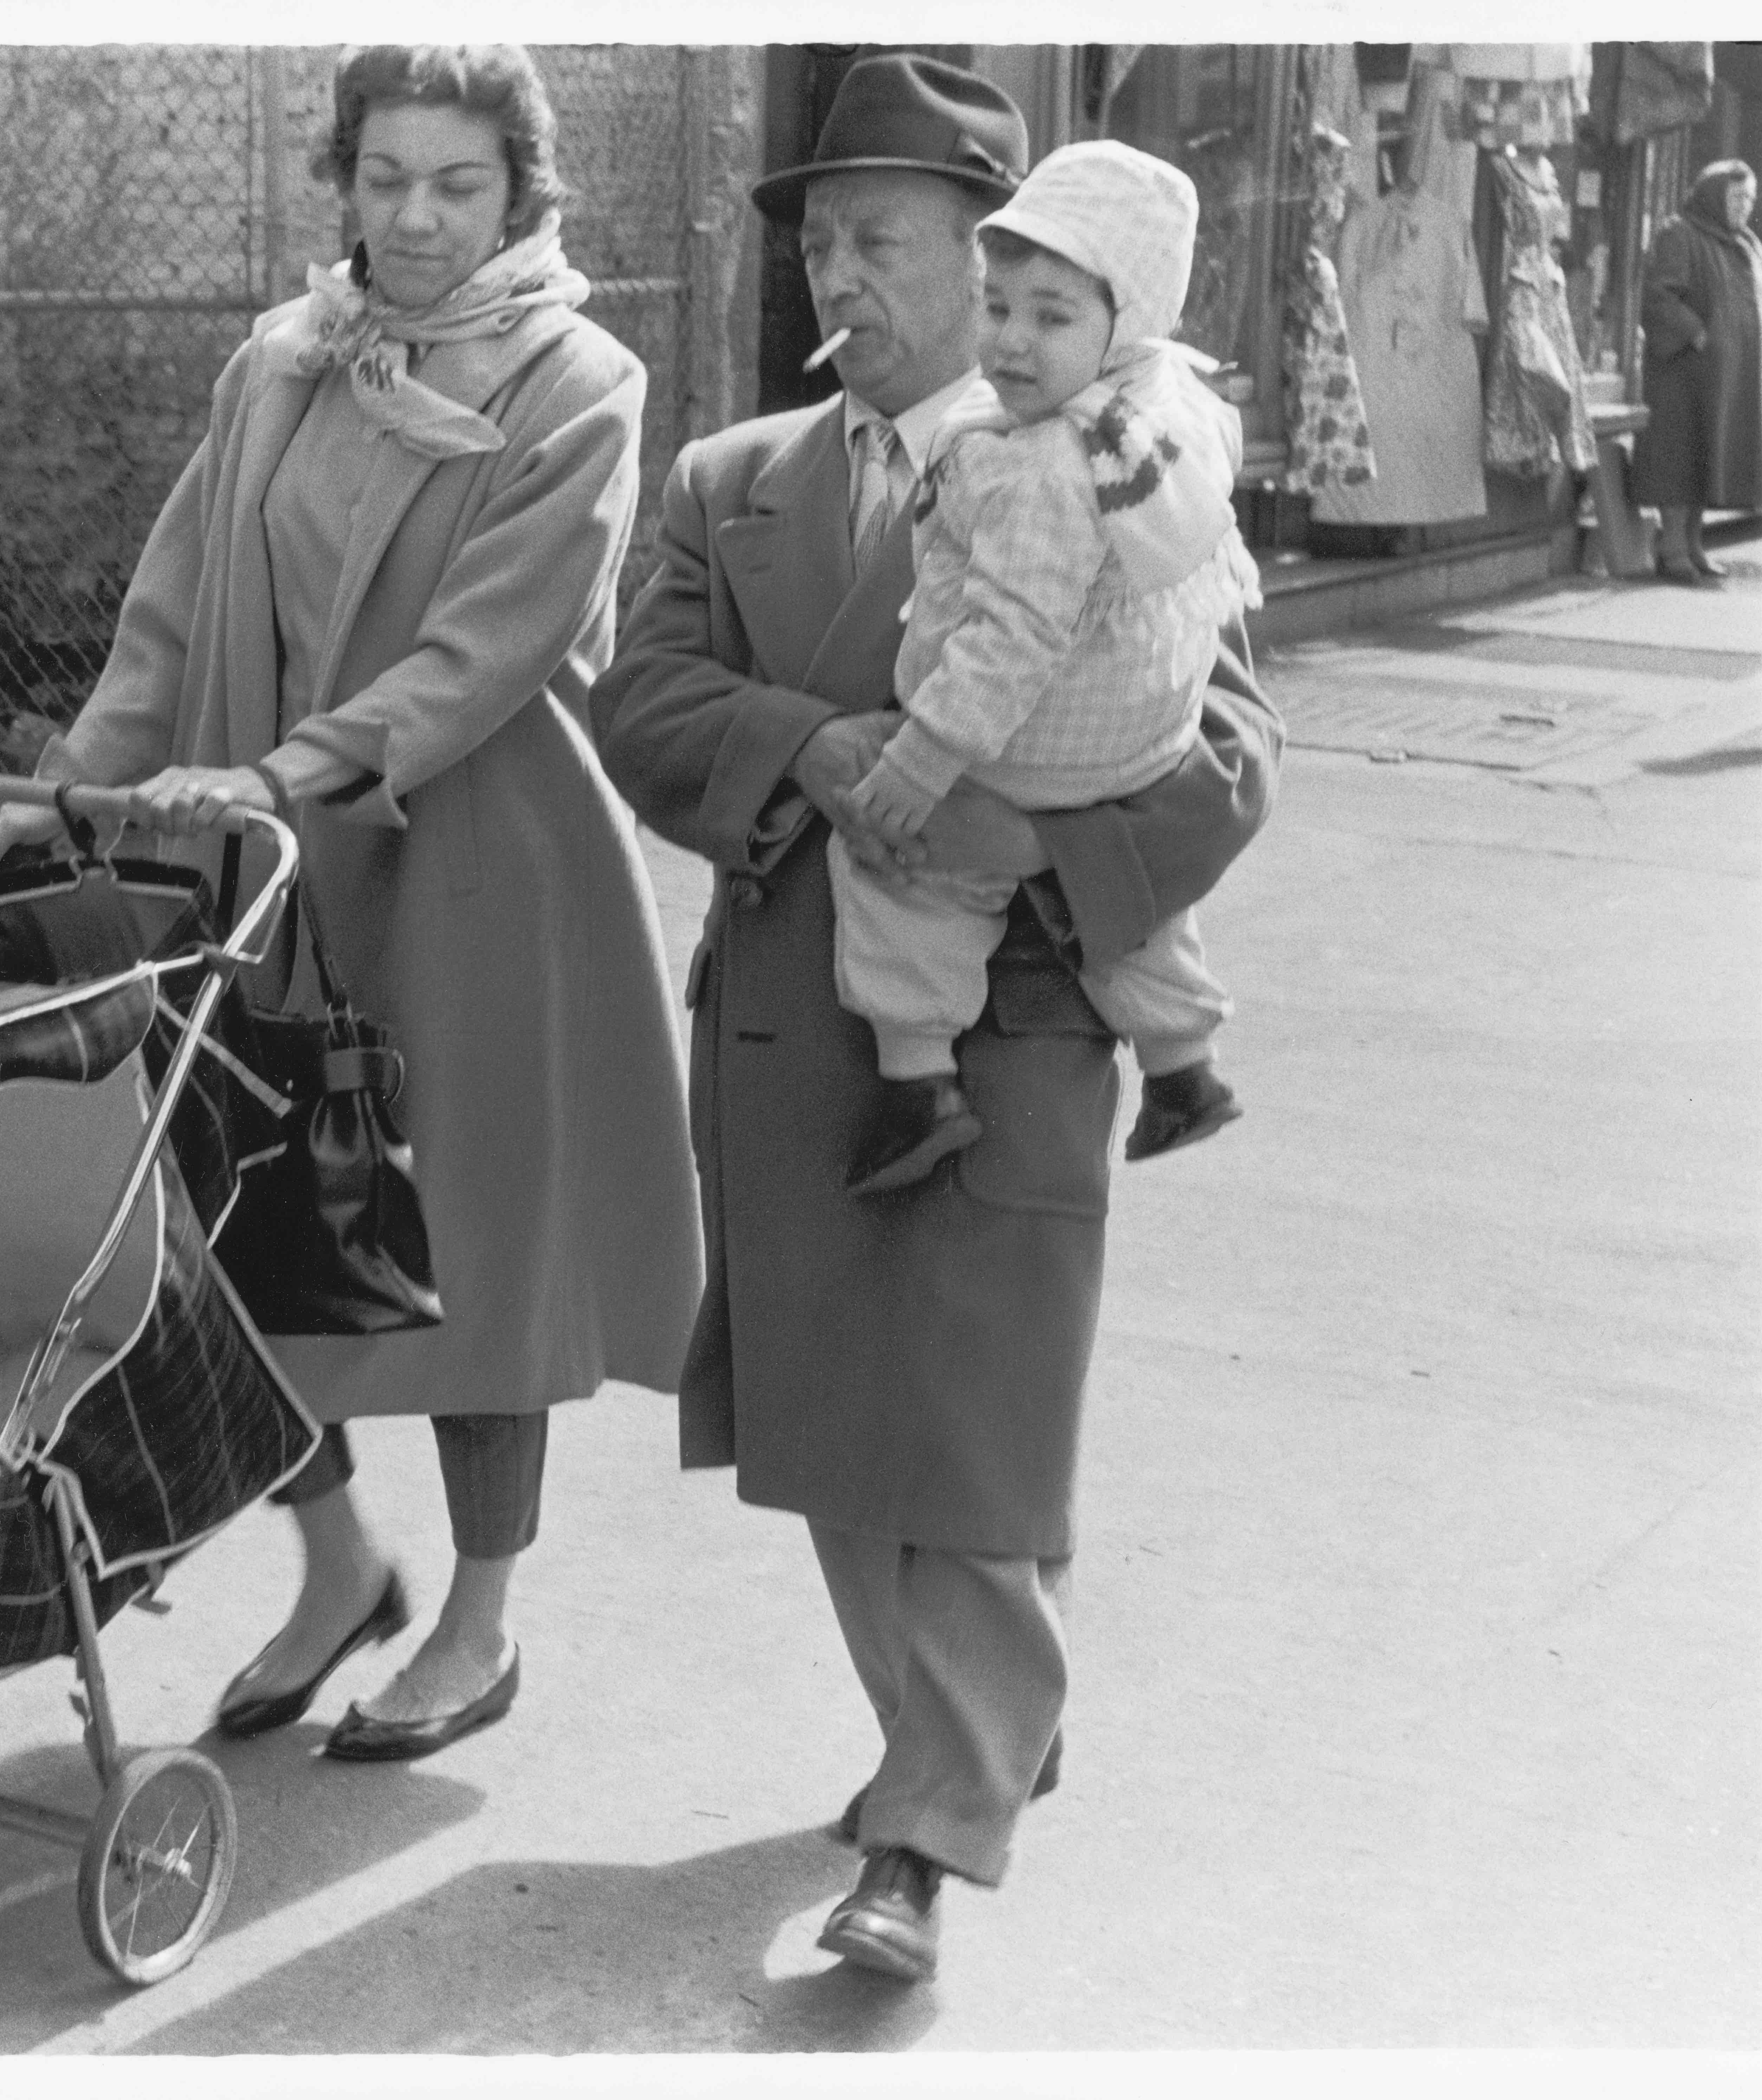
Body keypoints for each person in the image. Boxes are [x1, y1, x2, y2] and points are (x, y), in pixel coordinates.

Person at [587, 54, 1278, 1984]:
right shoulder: (732, 485)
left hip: (1024, 1016)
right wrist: (813, 741)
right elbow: (634, 705)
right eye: (818, 238)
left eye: (880, 237)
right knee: (831, 1435)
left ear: (1004, 265)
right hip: (790, 1026)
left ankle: (922, 1827)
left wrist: (1031, 851)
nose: (843, 274)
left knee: (971, 1436)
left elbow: (1226, 749)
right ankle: (959, 1729)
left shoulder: (1130, 477)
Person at [0, 43, 700, 1763]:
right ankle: (338, 1564)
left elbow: (491, 648)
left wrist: (288, 773)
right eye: (384, 178)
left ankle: (480, 1622)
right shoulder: (281, 362)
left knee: (467, 1255)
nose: (417, 217)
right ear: (341, 181)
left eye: (457, 183)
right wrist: (71, 795)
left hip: (483, 876)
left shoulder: (577, 380)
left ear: (522, 191)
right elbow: (167, 618)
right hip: (268, 869)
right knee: (247, 1229)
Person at [829, 141, 1259, 1196]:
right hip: (1137, 745)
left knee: (907, 875)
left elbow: (1010, 637)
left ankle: (916, 1083)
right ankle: (1182, 1066)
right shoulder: (1168, 413)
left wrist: (920, 763)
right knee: (1134, 913)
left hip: (1023, 751)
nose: (1011, 342)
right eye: (999, 306)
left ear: (1124, 321)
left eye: (1052, 316)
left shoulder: (1041, 463)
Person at [1630, 159, 1762, 589]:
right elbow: (1656, 297)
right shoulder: (1679, 234)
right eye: (1735, 197)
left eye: (1749, 199)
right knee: (1678, 457)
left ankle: (1694, 545)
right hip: (1683, 377)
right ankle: (1672, 549)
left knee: (1708, 459)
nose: (1744, 207)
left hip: (1725, 380)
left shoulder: (1743, 243)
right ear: (1713, 196)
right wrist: (1696, 332)